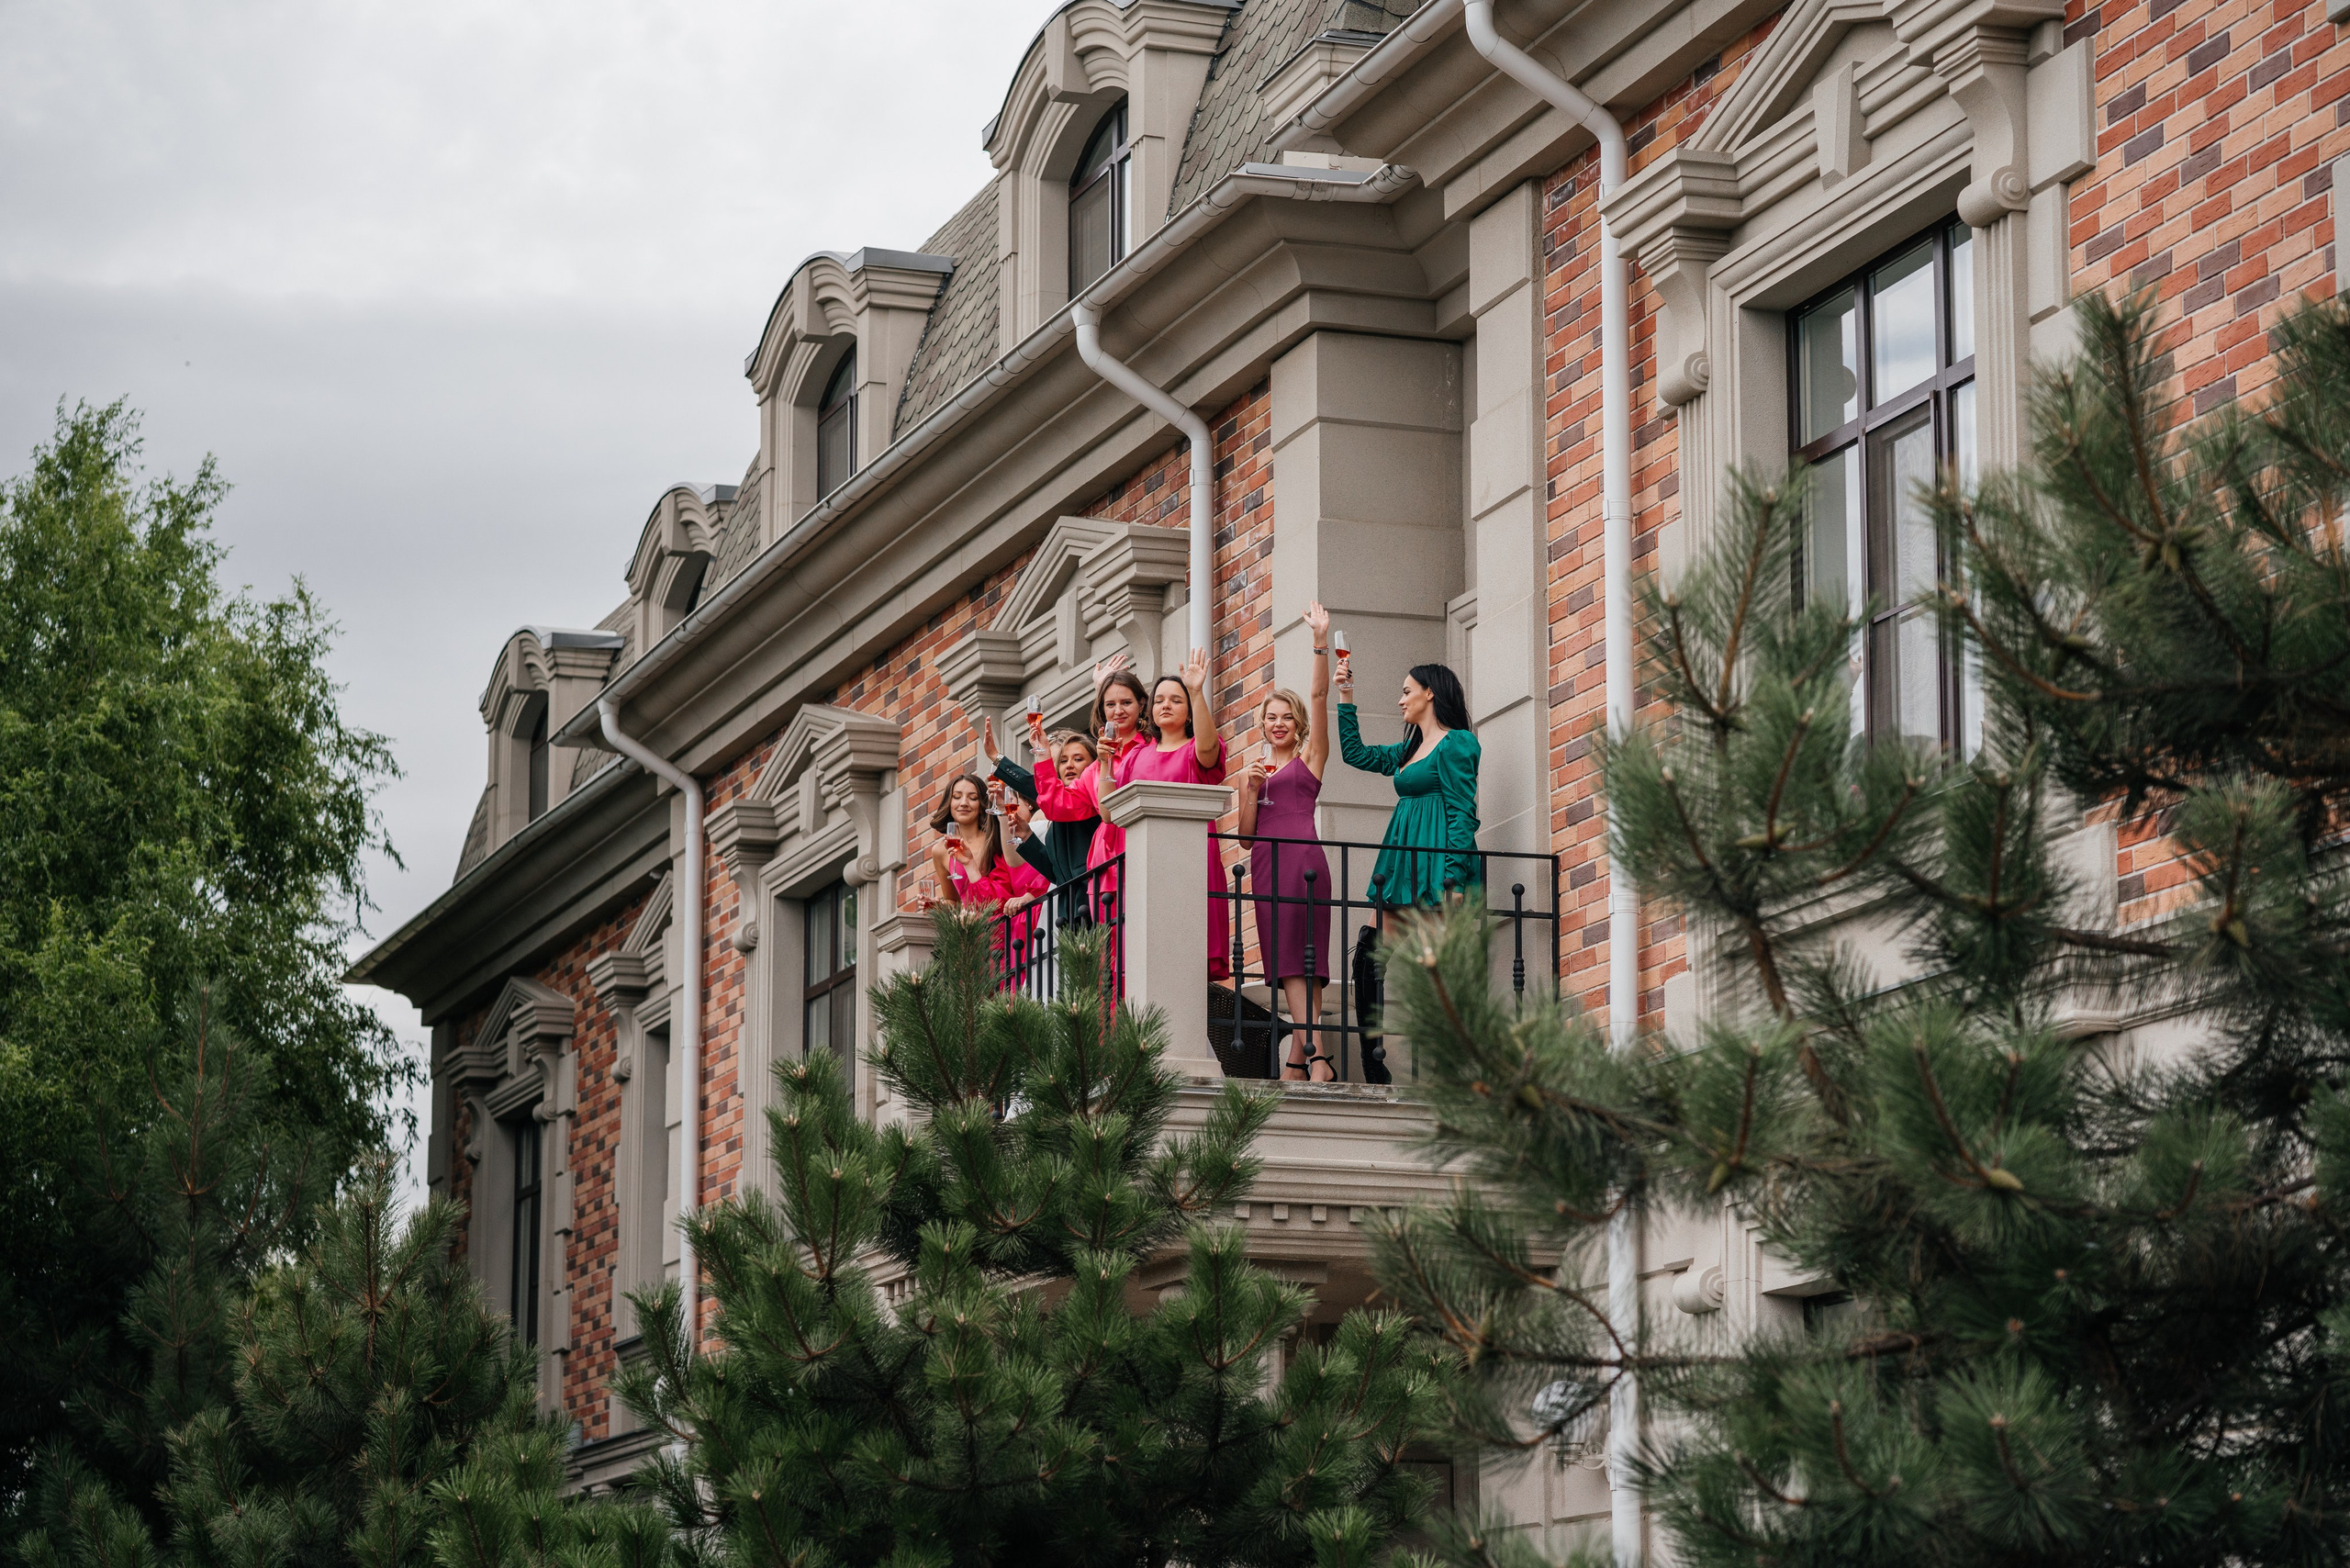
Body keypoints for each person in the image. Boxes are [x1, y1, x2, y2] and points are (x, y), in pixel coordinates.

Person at [1031, 646, 1230, 980]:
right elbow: (1059, 805)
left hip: (1167, 852)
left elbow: (1205, 751)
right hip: (1112, 864)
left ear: (1142, 707)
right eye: (1110, 704)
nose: (1118, 710)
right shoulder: (1103, 764)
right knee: (1119, 962)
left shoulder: (1143, 748)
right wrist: (1041, 754)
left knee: (1172, 951)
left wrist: (1195, 693)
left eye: (1126, 703)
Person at [1236, 601, 1336, 1081]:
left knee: (1304, 962)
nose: (1278, 724)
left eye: (1285, 718)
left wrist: (1321, 642)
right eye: (1270, 718)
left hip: (1303, 862)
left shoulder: (1310, 758)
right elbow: (1245, 838)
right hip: (1266, 867)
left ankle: (1315, 1060)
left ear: (1296, 725)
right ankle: (1300, 1061)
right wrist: (1251, 791)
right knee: (1288, 963)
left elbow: (1319, 696)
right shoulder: (1252, 773)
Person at [1333, 651, 1480, 917]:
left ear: (1429, 693)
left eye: (1407, 692)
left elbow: (1462, 813)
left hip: (1437, 861)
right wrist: (1346, 693)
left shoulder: (1456, 742)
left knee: (1431, 956)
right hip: (1402, 859)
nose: (1401, 701)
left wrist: (1454, 880)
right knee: (1370, 950)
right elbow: (1354, 754)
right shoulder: (1408, 750)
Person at [925, 775, 1050, 958]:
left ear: (982, 804)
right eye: (957, 796)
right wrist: (937, 907)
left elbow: (1004, 891)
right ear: (948, 802)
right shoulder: (940, 851)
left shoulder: (994, 840)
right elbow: (953, 901)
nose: (964, 803)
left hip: (1001, 926)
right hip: (971, 936)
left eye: (973, 797)